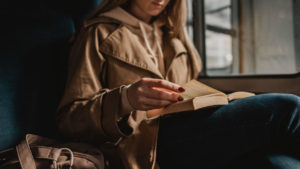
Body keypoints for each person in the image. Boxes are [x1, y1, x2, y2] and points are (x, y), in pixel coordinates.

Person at [56, 0, 300, 169]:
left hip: (188, 128)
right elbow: (70, 119)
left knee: (277, 161)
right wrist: (126, 99)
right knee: (287, 107)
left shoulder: (175, 38)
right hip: (143, 143)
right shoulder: (96, 34)